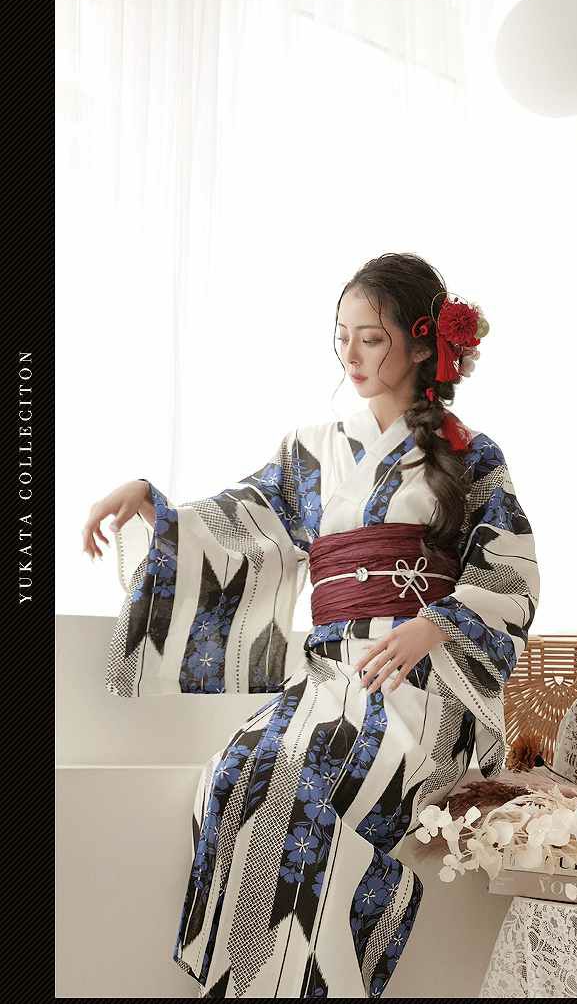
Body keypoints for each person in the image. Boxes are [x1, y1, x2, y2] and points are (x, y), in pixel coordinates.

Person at [82, 252, 540, 998]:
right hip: (330, 678)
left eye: (371, 338)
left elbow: (511, 572)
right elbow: (239, 523)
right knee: (234, 778)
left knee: (313, 792)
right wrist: (152, 505)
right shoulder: (311, 452)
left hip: (426, 687)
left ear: (422, 344)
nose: (350, 354)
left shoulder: (470, 455)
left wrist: (435, 624)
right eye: (342, 336)